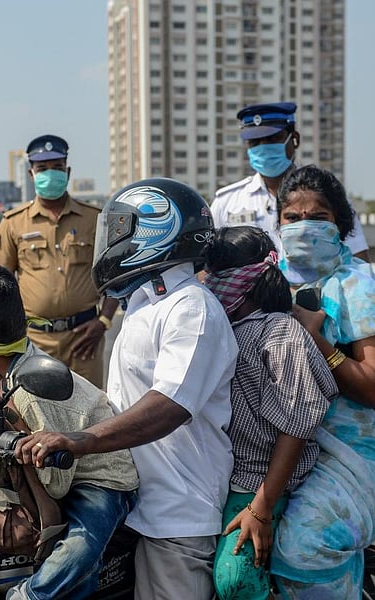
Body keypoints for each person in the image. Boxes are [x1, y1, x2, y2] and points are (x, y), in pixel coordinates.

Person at [16, 178, 238, 599]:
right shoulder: (144, 302)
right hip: (134, 501)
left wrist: (81, 441)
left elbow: (169, 406)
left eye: (121, 229)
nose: (110, 241)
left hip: (176, 513)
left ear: (159, 229)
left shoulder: (191, 307)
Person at [0, 259, 139, 600]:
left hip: (102, 476)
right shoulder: (9, 366)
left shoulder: (30, 392)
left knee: (80, 548)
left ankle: (32, 594)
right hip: (62, 466)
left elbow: (56, 484)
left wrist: (18, 424)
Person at [268, 165, 375, 598]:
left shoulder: (360, 290)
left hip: (348, 456)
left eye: (319, 218)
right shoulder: (274, 281)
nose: (303, 227)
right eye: (292, 219)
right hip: (284, 444)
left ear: (341, 226)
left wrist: (316, 340)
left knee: (302, 552)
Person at [203, 226, 337, 600]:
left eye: (216, 275)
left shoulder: (279, 332)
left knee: (236, 582)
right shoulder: (225, 326)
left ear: (242, 280)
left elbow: (296, 425)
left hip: (261, 482)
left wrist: (261, 507)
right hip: (224, 476)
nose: (208, 283)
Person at [0, 134, 119, 389]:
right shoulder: (13, 222)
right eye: (43, 169)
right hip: (33, 340)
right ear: (31, 174)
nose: (51, 174)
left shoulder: (95, 219)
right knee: (36, 414)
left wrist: (103, 322)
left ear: (68, 171)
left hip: (85, 338)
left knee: (89, 415)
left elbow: (116, 275)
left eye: (57, 168)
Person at [212, 102, 370, 261]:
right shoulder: (227, 202)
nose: (263, 147)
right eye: (255, 142)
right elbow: (206, 266)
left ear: (294, 139)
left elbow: (357, 258)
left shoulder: (328, 196)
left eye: (273, 139)